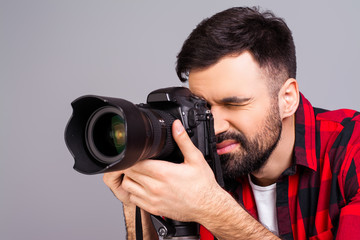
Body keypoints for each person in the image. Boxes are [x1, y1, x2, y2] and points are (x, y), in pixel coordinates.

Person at [103, 7, 360, 239]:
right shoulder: (198, 164)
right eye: (202, 108)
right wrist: (136, 203)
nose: (214, 127)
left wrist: (213, 210)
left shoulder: (351, 147)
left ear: (287, 98)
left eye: (234, 104)